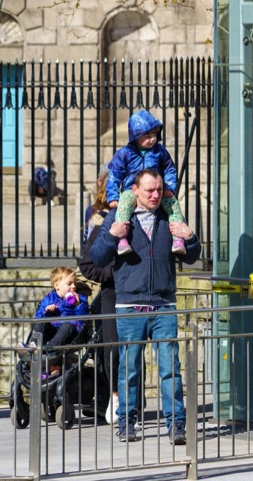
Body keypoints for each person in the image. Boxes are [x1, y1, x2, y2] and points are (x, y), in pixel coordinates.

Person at [90, 169, 200, 445]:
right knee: (130, 368)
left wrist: (190, 236)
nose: (155, 195)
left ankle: (176, 424)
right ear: (135, 190)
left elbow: (193, 257)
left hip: (164, 304)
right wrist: (112, 236)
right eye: (149, 190)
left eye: (159, 189)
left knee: (169, 369)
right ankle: (126, 421)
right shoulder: (119, 217)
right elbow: (96, 258)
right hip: (130, 304)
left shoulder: (169, 216)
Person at [106, 109, 187, 256]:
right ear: (136, 136)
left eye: (155, 135)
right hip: (132, 190)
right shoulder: (124, 153)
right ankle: (122, 240)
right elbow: (114, 175)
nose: (153, 139)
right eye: (148, 136)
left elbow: (169, 169)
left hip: (156, 189)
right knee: (124, 205)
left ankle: (178, 239)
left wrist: (169, 187)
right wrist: (112, 196)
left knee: (173, 205)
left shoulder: (160, 151)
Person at [78, 170, 120, 424]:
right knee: (107, 346)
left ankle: (125, 397)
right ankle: (108, 396)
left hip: (129, 293)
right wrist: (111, 274)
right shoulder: (99, 221)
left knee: (127, 347)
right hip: (110, 290)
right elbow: (88, 262)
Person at [33, 266, 89, 378]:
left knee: (67, 325)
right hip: (52, 329)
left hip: (69, 331)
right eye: (69, 283)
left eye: (75, 283)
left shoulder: (81, 299)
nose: (73, 286)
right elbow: (38, 316)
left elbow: (83, 319)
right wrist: (47, 311)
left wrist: (78, 306)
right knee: (40, 322)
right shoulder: (49, 298)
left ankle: (49, 351)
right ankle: (34, 345)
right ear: (57, 285)